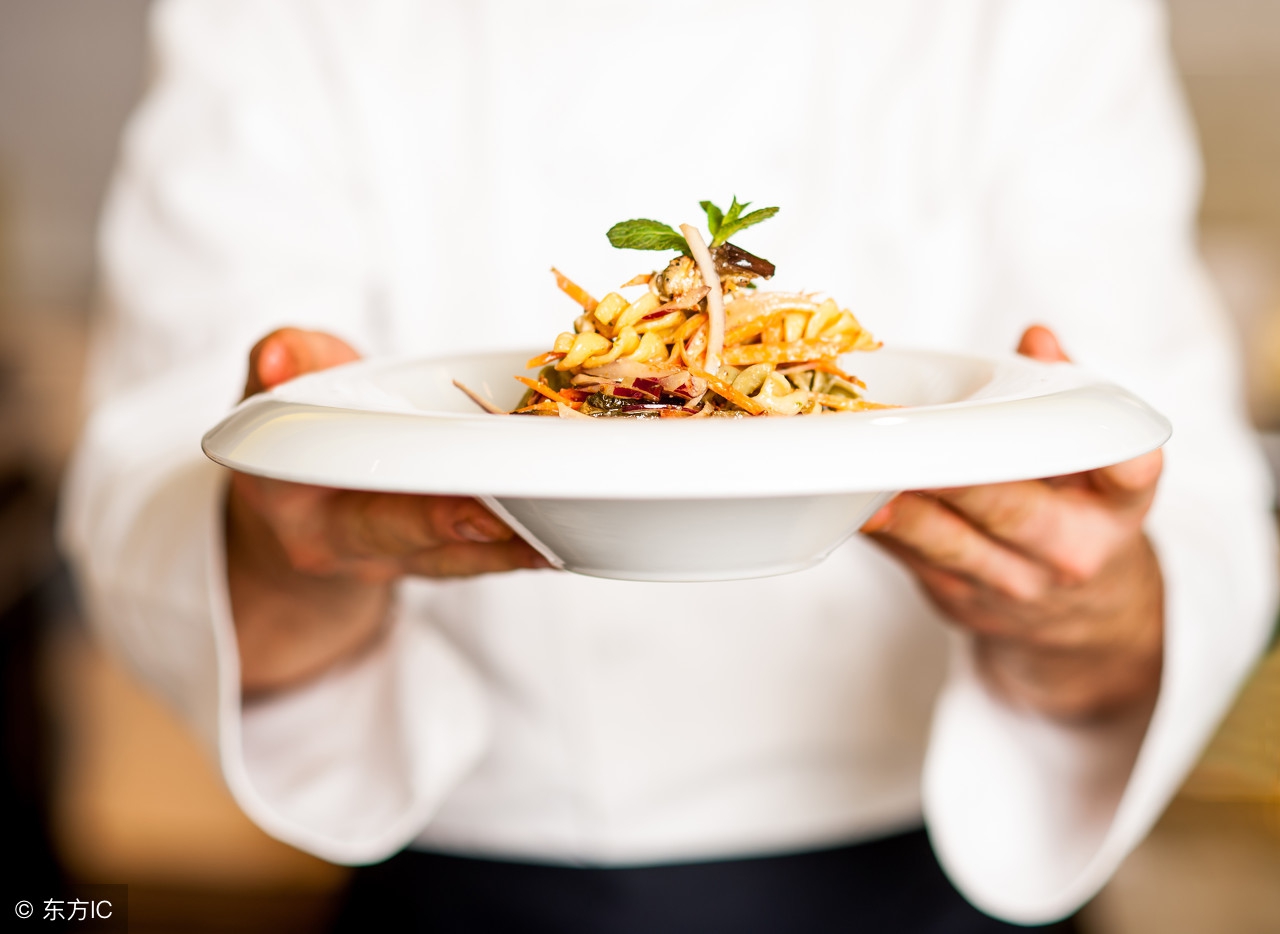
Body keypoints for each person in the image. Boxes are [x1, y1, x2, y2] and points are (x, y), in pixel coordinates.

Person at [60, 0, 1277, 930]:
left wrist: (1095, 611)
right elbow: (153, 466)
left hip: (933, 879)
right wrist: (290, 555)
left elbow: (1183, 476)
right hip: (463, 887)